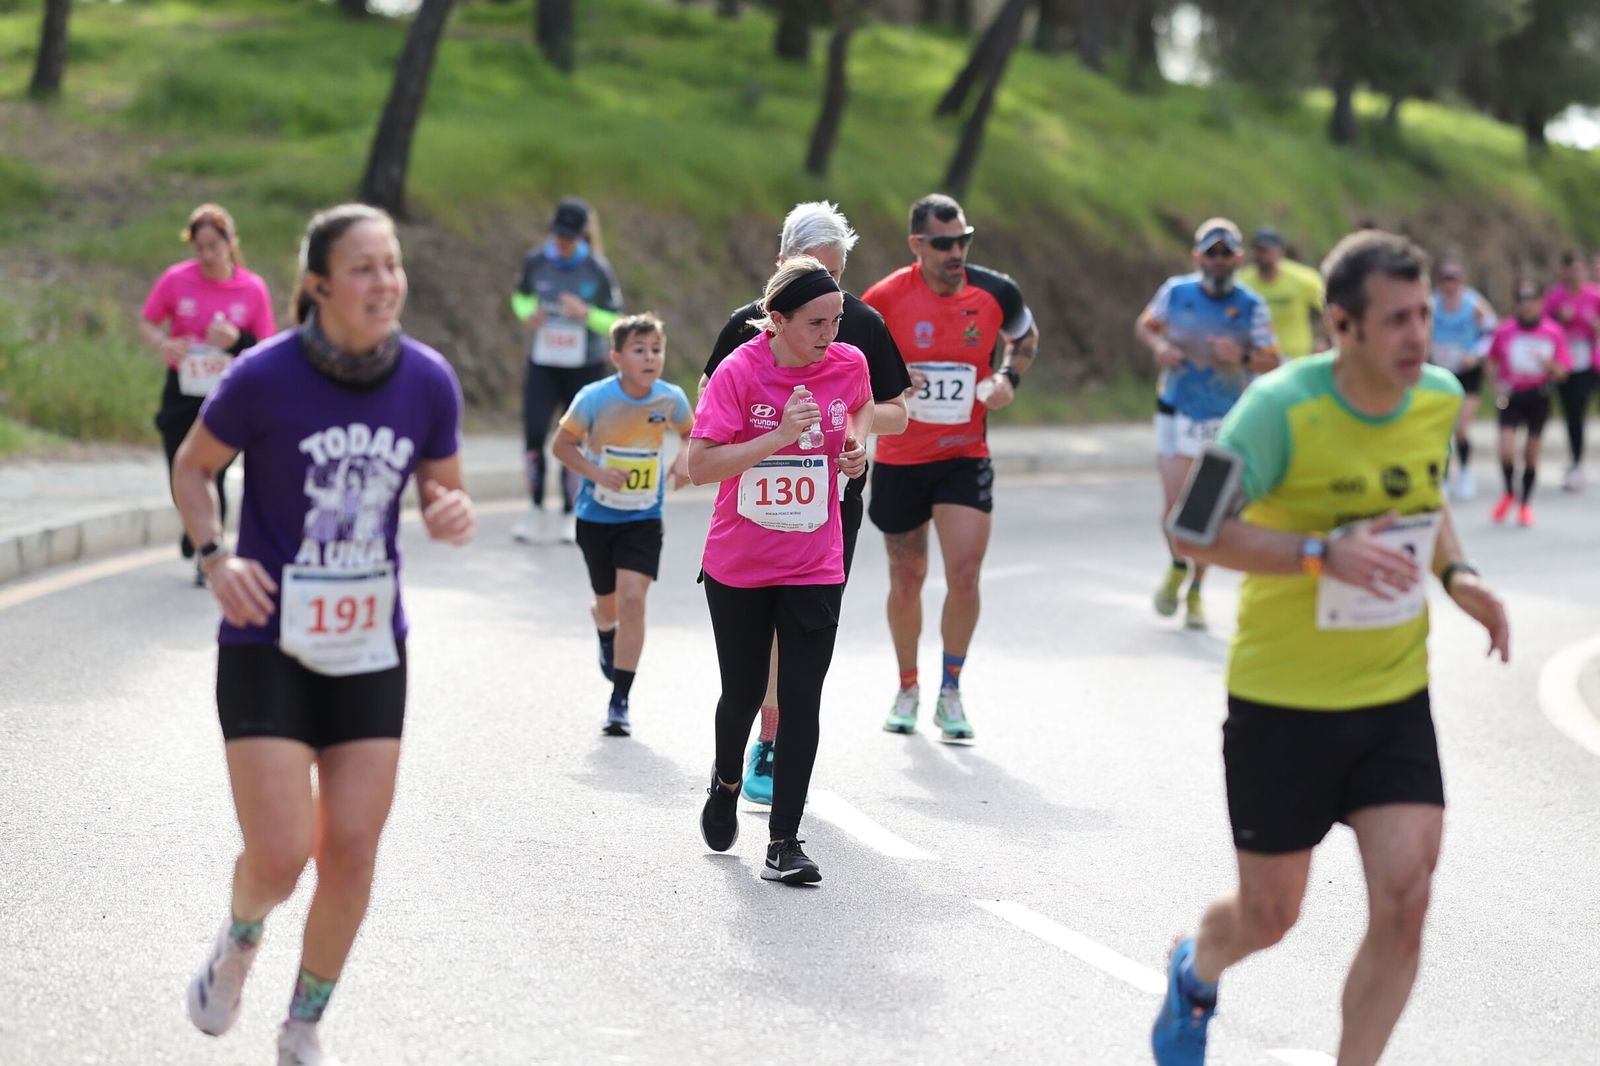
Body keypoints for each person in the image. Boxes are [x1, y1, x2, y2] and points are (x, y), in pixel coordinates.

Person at [1151, 229, 1510, 1066]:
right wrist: (1319, 553)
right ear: (1341, 327)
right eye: (1395, 321)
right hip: (1283, 702)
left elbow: (1425, 501)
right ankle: (1197, 967)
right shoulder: (1277, 408)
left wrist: (1461, 579)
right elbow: (1192, 527)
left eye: (1423, 315)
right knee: (1271, 916)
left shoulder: (1439, 397)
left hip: (1392, 697)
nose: (1417, 337)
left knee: (1407, 897)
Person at [171, 204, 475, 1066]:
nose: (386, 283)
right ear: (319, 285)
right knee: (279, 853)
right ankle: (239, 939)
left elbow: (439, 492)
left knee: (350, 847)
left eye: (394, 265)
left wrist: (448, 511)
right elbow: (194, 469)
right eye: (365, 268)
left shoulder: (427, 380)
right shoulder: (263, 378)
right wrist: (215, 555)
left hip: (370, 642)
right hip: (265, 633)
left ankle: (303, 1021)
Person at [700, 201, 910, 802]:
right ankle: (756, 744)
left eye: (836, 275)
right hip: (753, 518)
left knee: (799, 646)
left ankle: (775, 747)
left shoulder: (857, 328)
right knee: (756, 646)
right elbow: (710, 408)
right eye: (811, 273)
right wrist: (765, 433)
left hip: (828, 507)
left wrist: (855, 435)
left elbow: (894, 407)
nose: (827, 301)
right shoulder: (747, 329)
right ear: (781, 273)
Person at [689, 257, 872, 885]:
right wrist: (776, 439)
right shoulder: (741, 373)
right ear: (776, 321)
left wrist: (856, 449)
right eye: (816, 322)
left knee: (800, 698)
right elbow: (701, 465)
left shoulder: (848, 364)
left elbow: (862, 408)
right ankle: (725, 780)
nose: (830, 334)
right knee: (742, 692)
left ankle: (784, 840)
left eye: (836, 320)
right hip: (739, 563)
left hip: (814, 560)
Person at [861, 193, 1038, 742]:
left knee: (964, 573)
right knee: (907, 577)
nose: (956, 251)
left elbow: (1025, 336)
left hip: (965, 454)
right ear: (918, 244)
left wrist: (1009, 378)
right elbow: (847, 359)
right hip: (900, 459)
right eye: (944, 243)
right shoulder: (885, 297)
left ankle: (951, 691)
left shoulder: (996, 291)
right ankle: (908, 686)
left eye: (963, 239)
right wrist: (885, 387)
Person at [551, 313, 694, 737]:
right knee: (609, 605)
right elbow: (562, 446)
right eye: (639, 350)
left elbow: (692, 432)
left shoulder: (670, 399)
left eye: (656, 350)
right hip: (596, 516)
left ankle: (620, 700)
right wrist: (597, 474)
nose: (650, 358)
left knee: (634, 601)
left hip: (644, 516)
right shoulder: (594, 399)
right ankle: (602, 626)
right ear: (616, 357)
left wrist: (683, 460)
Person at [1136, 218, 1279, 631]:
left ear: (1237, 258)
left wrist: (1242, 359)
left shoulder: (1252, 306)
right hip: (1177, 409)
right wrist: (1161, 346)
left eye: (1225, 254)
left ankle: (1196, 590)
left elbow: (1273, 360)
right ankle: (1179, 565)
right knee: (1172, 509)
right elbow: (1145, 326)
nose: (1218, 261)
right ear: (1197, 256)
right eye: (1210, 253)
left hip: (1227, 418)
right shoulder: (1175, 292)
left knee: (1205, 512)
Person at [139, 203, 277, 584]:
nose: (206, 255)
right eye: (199, 247)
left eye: (214, 246)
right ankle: (193, 528)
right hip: (183, 390)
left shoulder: (251, 288)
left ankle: (208, 550)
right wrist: (164, 344)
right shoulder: (176, 280)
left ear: (231, 243)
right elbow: (148, 322)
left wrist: (237, 340)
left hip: (229, 393)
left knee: (212, 472)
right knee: (179, 468)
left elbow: (266, 346)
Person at [510, 197, 622, 544]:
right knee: (533, 432)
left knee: (575, 438)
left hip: (584, 366)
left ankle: (571, 512)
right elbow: (520, 296)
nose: (562, 242)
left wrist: (586, 314)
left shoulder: (597, 269)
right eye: (558, 235)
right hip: (543, 363)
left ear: (581, 235)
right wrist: (527, 313)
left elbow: (617, 321)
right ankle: (534, 507)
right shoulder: (536, 261)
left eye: (569, 237)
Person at [1485, 279, 1570, 526]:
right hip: (1511, 396)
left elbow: (1564, 371)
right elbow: (1491, 360)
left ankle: (1525, 505)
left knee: (1531, 455)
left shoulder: (1553, 332)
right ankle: (1509, 493)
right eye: (1521, 299)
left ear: (1540, 303)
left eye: (1531, 299)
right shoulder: (1505, 330)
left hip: (1538, 396)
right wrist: (1495, 383)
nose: (1526, 305)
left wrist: (1549, 365)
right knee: (1506, 450)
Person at [1429, 256, 1496, 500]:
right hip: (1440, 371)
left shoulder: (1474, 304)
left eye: (1455, 278)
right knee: (1443, 428)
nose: (1451, 283)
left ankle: (1465, 472)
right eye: (1446, 278)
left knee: (1460, 428)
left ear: (1462, 280)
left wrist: (1476, 355)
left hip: (1467, 372)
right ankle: (1444, 476)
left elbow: (1491, 333)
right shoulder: (1431, 303)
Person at [1542, 252, 1598, 491]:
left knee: (1581, 403)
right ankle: (1576, 463)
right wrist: (1558, 318)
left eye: (1580, 269)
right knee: (1572, 414)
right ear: (1563, 271)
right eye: (1571, 269)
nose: (1576, 274)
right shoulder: (1555, 297)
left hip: (1590, 363)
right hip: (1564, 365)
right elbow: (1542, 325)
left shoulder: (1595, 295)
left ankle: (1577, 464)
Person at [1236, 225, 1325, 360]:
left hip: (1297, 359)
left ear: (1281, 250)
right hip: (1259, 362)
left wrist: (1325, 340)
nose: (1262, 254)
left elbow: (1330, 308)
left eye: (1266, 249)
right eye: (1258, 249)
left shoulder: (1304, 279)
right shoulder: (1241, 283)